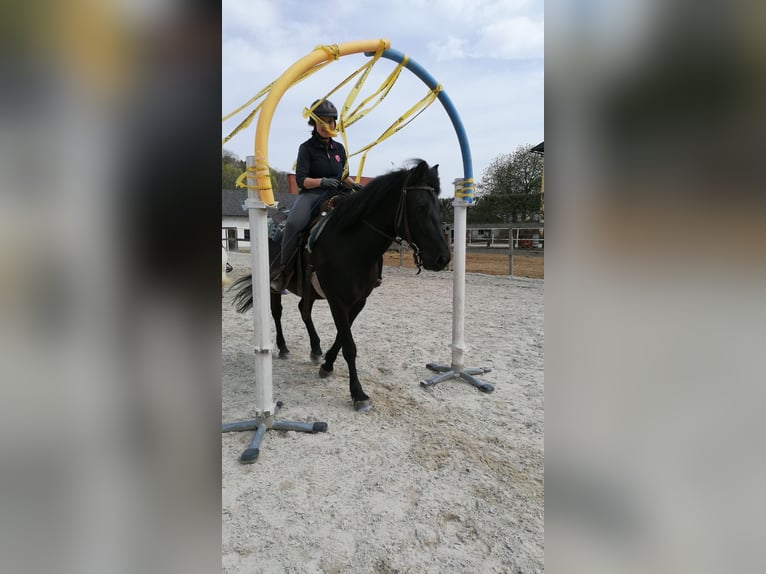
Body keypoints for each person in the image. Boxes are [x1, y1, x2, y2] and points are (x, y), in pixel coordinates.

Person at [270, 99, 360, 292]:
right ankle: (284, 272)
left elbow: (343, 175)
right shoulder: (306, 148)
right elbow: (302, 180)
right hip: (313, 194)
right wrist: (322, 181)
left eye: (330, 121)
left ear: (335, 123)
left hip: (338, 192)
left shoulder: (339, 149)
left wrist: (356, 185)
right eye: (322, 122)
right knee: (294, 223)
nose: (327, 126)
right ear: (314, 124)